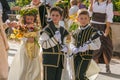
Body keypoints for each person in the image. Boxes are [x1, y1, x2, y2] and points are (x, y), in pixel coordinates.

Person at [8, 7, 42, 80]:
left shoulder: (37, 27)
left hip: (34, 49)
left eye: (31, 19)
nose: (29, 21)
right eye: (28, 19)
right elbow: (20, 37)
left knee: (34, 67)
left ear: (34, 19)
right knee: (23, 67)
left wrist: (34, 38)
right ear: (25, 19)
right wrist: (27, 38)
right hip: (24, 49)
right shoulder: (21, 27)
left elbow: (38, 36)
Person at [70, 9, 101, 80]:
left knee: (80, 75)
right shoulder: (75, 32)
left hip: (86, 57)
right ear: (78, 19)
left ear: (89, 19)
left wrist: (88, 46)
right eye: (81, 18)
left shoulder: (93, 31)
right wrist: (73, 47)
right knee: (75, 76)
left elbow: (97, 45)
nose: (83, 20)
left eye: (85, 18)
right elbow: (72, 42)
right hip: (75, 56)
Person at [39, 6, 69, 80]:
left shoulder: (63, 30)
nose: (54, 17)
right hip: (49, 60)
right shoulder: (47, 29)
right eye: (52, 15)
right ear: (49, 16)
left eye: (57, 15)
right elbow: (43, 45)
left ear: (61, 17)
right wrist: (54, 39)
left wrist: (65, 48)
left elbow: (65, 43)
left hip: (60, 61)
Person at [88, 0, 113, 73]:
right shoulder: (94, 2)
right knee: (94, 47)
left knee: (104, 47)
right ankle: (96, 67)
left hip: (102, 26)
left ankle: (107, 66)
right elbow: (89, 14)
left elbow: (109, 17)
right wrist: (91, 3)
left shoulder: (108, 3)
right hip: (92, 26)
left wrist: (107, 28)